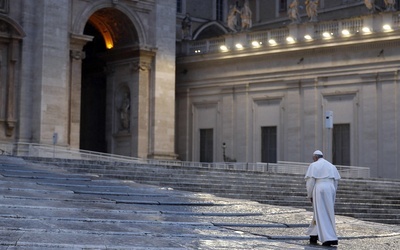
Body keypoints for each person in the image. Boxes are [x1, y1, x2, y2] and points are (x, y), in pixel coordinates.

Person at [305, 150, 341, 246]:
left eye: (313, 158)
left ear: (315, 157)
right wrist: (333, 192)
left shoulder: (314, 165)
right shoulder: (331, 166)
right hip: (331, 188)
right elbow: (336, 181)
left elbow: (310, 182)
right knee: (327, 212)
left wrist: (310, 195)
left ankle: (328, 238)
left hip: (319, 187)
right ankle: (314, 234)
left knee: (320, 212)